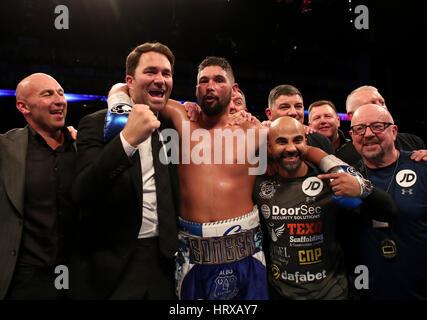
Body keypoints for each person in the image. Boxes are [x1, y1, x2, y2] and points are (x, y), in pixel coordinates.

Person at [71, 42, 180, 299]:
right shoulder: (97, 123)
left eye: (166, 73)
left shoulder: (172, 127)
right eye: (151, 71)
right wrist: (127, 141)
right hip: (115, 262)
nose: (160, 80)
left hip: (166, 260)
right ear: (129, 81)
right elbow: (82, 192)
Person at [253, 116, 397, 300]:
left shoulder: (330, 181)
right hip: (280, 293)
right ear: (270, 147)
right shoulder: (259, 183)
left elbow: (388, 212)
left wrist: (362, 189)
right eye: (281, 142)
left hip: (331, 293)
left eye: (297, 140)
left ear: (306, 142)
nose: (291, 148)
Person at [0, 73, 78, 300]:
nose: (59, 99)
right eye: (47, 94)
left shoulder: (82, 147)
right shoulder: (5, 148)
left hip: (76, 276)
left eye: (61, 93)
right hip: (26, 277)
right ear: (23, 107)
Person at [348, 104, 427, 299]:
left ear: (394, 131)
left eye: (377, 126)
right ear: (352, 136)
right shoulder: (348, 177)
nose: (367, 134)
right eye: (359, 129)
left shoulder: (422, 167)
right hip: (370, 290)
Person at [342, 85, 427, 163]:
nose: (381, 107)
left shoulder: (412, 142)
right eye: (372, 104)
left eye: (382, 102)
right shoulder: (344, 157)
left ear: (394, 131)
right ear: (352, 116)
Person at [265, 84, 335, 154]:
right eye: (284, 107)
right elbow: (259, 164)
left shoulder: (321, 141)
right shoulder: (260, 140)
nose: (293, 112)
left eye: (298, 106)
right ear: (269, 114)